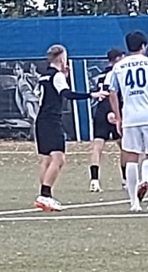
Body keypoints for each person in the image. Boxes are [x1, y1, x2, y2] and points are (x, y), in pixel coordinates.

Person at [34, 45, 107, 211]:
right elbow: (67, 94)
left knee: (47, 159)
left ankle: (44, 196)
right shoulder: (57, 75)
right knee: (58, 158)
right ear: (61, 58)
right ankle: (45, 195)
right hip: (52, 120)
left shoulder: (44, 76)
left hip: (41, 120)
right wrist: (91, 94)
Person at [109, 31, 148, 213]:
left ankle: (134, 202)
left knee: (132, 158)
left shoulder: (118, 66)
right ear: (143, 46)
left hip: (130, 116)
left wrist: (118, 117)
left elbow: (112, 93)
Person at [87, 48, 125, 193]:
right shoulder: (114, 73)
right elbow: (110, 93)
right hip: (110, 110)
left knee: (98, 146)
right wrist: (112, 111)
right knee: (124, 147)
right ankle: (125, 180)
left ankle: (94, 181)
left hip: (100, 111)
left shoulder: (102, 74)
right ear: (117, 59)